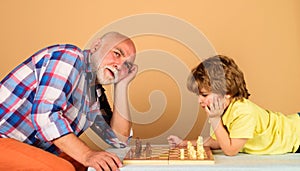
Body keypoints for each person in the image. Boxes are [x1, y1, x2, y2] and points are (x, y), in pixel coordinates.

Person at [0, 31, 138, 171]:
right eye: (117, 54)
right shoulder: (70, 56)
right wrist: (87, 154)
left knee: (83, 165)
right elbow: (44, 116)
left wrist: (122, 84)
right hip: (3, 138)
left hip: (26, 148)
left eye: (126, 65)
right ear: (96, 45)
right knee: (64, 168)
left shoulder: (93, 93)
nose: (119, 66)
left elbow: (119, 139)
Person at [168, 55, 300, 156]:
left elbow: (230, 150)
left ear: (226, 92)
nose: (199, 101)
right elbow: (218, 141)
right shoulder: (222, 111)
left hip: (296, 135)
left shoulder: (243, 112)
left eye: (204, 95)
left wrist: (215, 120)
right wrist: (184, 143)